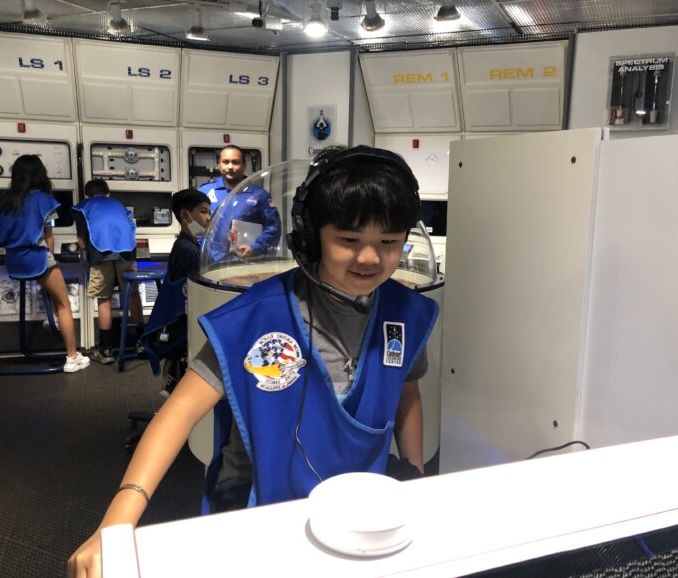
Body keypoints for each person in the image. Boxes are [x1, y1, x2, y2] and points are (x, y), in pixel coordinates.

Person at [67, 145, 438, 577]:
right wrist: (116, 521)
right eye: (350, 240)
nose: (371, 258)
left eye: (388, 242)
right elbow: (179, 412)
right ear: (311, 235)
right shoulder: (257, 317)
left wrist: (414, 481)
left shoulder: (404, 312)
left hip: (355, 506)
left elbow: (406, 395)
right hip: (259, 504)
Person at [0, 154, 90, 373]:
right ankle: (72, 357)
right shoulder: (44, 200)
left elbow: (1, 232)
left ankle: (51, 317)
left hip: (14, 261)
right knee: (64, 303)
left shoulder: (5, 201)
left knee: (54, 279)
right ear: (40, 174)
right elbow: (49, 236)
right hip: (36, 258)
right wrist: (50, 257)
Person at [72, 179, 143, 365]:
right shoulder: (118, 205)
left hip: (100, 254)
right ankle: (142, 343)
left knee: (104, 299)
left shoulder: (83, 207)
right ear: (108, 194)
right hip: (127, 253)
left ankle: (106, 350)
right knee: (132, 295)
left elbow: (82, 242)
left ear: (86, 196)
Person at [155, 188, 211, 396]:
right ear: (186, 215)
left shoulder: (188, 244)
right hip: (183, 326)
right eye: (203, 212)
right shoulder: (187, 250)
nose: (208, 218)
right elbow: (188, 292)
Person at [198, 145, 281, 261]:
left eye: (235, 162)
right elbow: (196, 227)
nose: (230, 167)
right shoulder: (204, 192)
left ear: (244, 165)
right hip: (210, 263)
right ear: (219, 164)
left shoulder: (260, 196)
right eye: (225, 162)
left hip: (246, 262)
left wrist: (255, 248)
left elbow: (273, 229)